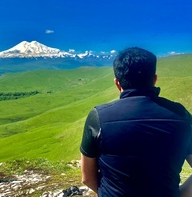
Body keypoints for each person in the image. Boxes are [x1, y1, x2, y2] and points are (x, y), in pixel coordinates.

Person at [80, 47, 192, 197]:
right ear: (154, 79)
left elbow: (87, 178)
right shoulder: (181, 115)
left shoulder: (98, 116)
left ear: (117, 83)